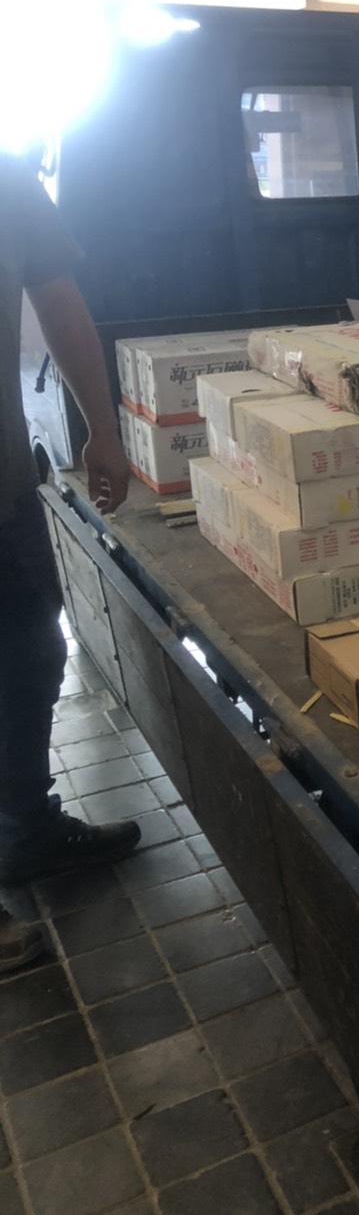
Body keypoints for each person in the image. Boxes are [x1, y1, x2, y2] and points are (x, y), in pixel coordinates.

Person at [0, 150, 141, 969]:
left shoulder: (7, 177)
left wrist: (104, 428)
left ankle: (25, 831)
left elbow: (58, 298)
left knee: (32, 655)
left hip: (3, 486)